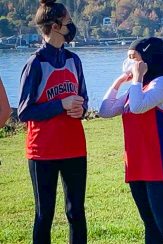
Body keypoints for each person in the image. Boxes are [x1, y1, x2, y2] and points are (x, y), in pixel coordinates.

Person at [99, 37, 163, 244]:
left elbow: (138, 107)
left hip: (159, 165)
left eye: (133, 57)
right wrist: (119, 82)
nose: (128, 63)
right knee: (150, 225)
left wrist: (136, 78)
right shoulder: (137, 88)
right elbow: (105, 110)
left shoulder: (162, 84)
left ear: (148, 59)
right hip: (136, 165)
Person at [17, 0, 88, 243]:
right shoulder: (35, 63)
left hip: (74, 148)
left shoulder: (74, 60)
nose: (71, 26)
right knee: (44, 215)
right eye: (68, 22)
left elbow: (84, 99)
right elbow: (24, 111)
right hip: (43, 152)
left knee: (76, 212)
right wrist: (61, 105)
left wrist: (81, 109)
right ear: (56, 26)